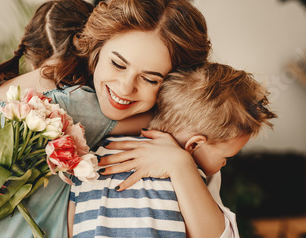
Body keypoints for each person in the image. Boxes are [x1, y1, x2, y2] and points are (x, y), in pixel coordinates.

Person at [0, 0, 226, 238]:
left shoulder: (182, 146)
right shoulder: (61, 112)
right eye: (117, 64)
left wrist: (179, 164)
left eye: (150, 79)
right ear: (94, 48)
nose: (124, 88)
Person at [68, 62, 277, 237]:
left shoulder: (94, 155)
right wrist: (183, 166)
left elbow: (69, 218)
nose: (224, 164)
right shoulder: (190, 175)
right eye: (226, 157)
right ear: (194, 144)